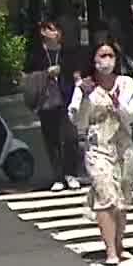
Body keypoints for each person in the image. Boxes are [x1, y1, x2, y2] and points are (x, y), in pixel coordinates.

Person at [67, 40, 133, 266]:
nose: (106, 61)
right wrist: (86, 98)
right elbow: (79, 120)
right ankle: (109, 249)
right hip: (97, 146)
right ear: (93, 60)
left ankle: (119, 242)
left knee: (122, 197)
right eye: (101, 56)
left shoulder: (126, 84)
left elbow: (131, 116)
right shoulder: (84, 87)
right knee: (105, 193)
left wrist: (118, 104)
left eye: (110, 56)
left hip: (123, 145)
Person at [24, 19, 83, 191]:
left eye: (58, 29)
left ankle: (71, 173)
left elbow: (76, 72)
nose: (56, 33)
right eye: (51, 29)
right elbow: (27, 74)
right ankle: (57, 176)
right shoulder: (36, 53)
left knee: (71, 138)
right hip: (46, 100)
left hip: (66, 98)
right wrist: (45, 73)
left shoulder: (67, 52)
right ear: (43, 32)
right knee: (52, 139)